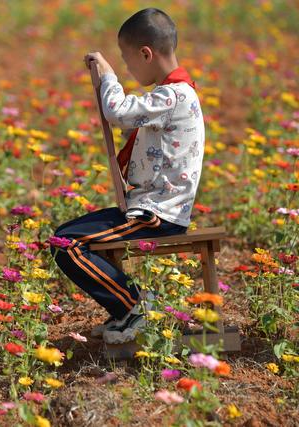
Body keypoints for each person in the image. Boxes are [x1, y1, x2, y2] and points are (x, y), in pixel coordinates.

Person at [51, 8, 204, 344]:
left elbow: (118, 113)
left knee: (67, 243)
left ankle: (134, 307)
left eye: (126, 59)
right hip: (150, 208)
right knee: (66, 236)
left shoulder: (174, 95)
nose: (127, 68)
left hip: (157, 215)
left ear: (146, 54)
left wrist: (108, 76)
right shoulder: (174, 93)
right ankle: (126, 310)